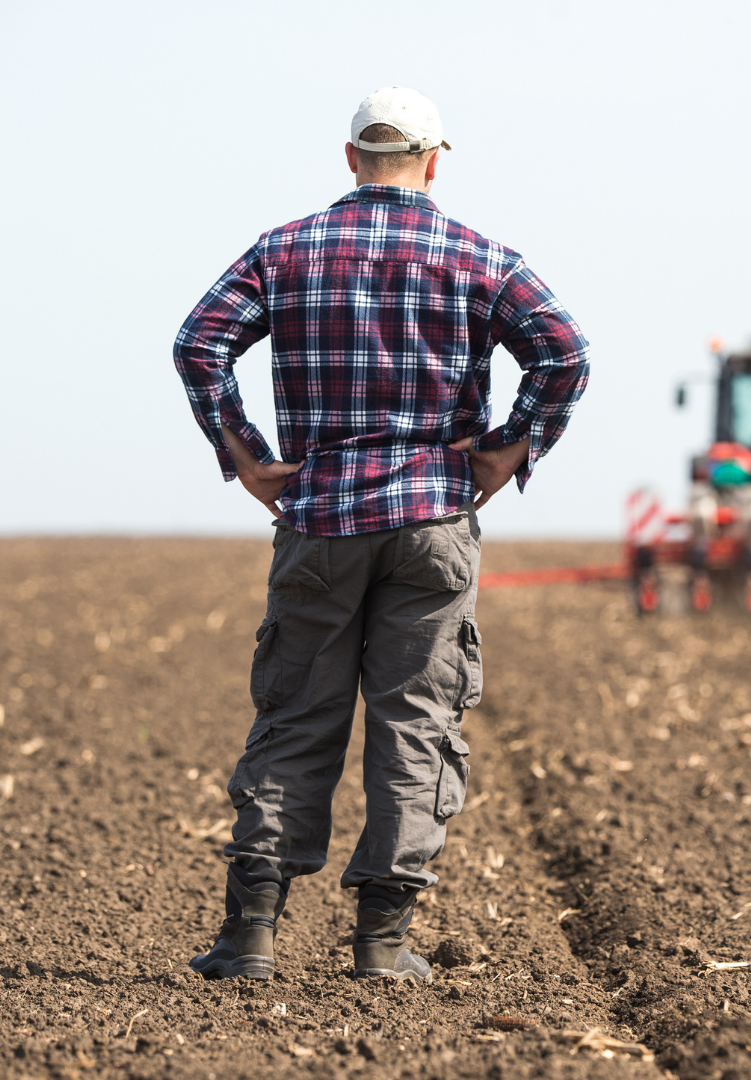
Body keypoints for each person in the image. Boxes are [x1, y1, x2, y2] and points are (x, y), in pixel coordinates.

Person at [173, 87, 590, 983]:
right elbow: (565, 353)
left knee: (295, 719)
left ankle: (250, 938)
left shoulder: (284, 249)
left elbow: (198, 342)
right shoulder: (482, 258)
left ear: (350, 158)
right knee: (417, 724)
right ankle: (382, 944)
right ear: (437, 160)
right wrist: (510, 447)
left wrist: (245, 456)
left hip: (319, 516)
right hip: (433, 520)